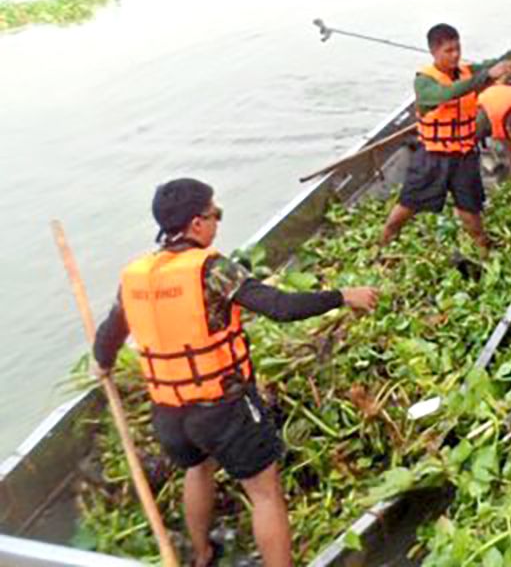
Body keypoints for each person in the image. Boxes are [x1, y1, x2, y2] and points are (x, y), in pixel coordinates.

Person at [93, 179, 379, 567]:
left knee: (198, 470)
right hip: (223, 409)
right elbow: (280, 307)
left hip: (170, 415)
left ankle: (202, 555)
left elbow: (107, 337)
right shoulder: (211, 269)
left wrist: (104, 363)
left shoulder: (135, 276)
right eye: (216, 215)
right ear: (196, 224)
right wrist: (342, 296)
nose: (218, 224)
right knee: (265, 492)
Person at [380, 23, 511, 252]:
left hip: (464, 155)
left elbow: (500, 61)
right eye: (448, 51)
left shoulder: (467, 71)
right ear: (434, 52)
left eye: (457, 49)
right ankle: (384, 241)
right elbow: (447, 94)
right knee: (407, 206)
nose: (455, 56)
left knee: (470, 210)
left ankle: (483, 248)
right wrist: (486, 76)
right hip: (433, 157)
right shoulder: (424, 82)